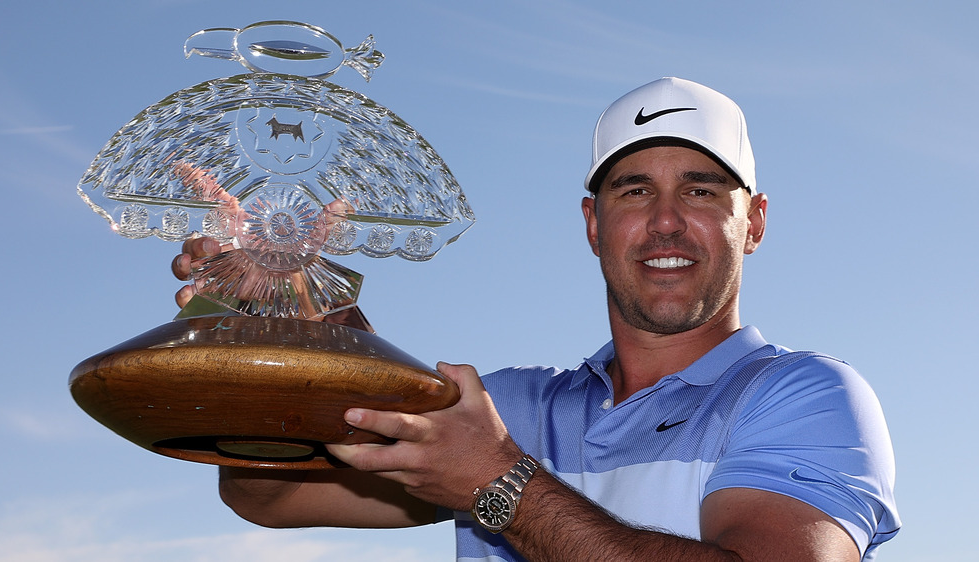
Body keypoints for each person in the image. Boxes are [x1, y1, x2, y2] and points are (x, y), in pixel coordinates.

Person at [174, 77, 899, 560]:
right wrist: (275, 315)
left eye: (704, 192)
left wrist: (499, 481)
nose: (668, 222)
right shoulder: (507, 407)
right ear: (593, 222)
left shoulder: (807, 396)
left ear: (755, 222)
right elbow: (264, 492)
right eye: (635, 191)